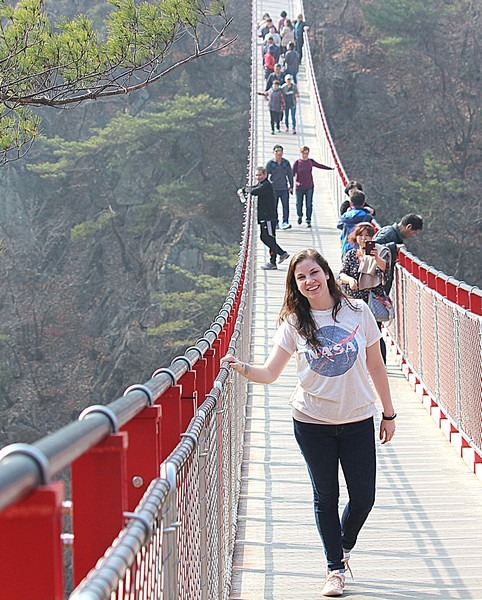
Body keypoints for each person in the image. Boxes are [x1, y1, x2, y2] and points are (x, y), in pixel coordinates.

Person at [221, 248, 396, 597]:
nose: (309, 281)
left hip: (358, 417)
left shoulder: (358, 313)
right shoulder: (295, 323)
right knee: (325, 495)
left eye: (313, 273)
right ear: (295, 285)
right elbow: (270, 373)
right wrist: (241, 368)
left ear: (327, 273)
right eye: (301, 278)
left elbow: (376, 365)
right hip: (312, 420)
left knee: (363, 497)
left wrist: (389, 414)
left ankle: (342, 545)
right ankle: (334, 568)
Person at [338, 223, 391, 363]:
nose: (363, 239)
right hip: (353, 300)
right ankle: (358, 362)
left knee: (375, 333)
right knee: (354, 332)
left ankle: (380, 364)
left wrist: (376, 258)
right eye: (360, 235)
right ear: (356, 237)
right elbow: (342, 274)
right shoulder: (351, 254)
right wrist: (350, 280)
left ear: (372, 237)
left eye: (367, 235)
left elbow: (384, 272)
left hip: (371, 300)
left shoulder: (380, 253)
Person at [241, 167, 289, 271]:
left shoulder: (266, 185)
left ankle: (273, 262)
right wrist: (245, 188)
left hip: (269, 217)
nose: (258, 177)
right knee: (264, 237)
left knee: (270, 238)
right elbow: (254, 187)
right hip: (265, 217)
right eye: (257, 175)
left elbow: (255, 191)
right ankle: (282, 253)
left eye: (260, 175)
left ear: (265, 175)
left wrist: (244, 190)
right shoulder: (262, 184)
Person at [373, 213, 423, 293]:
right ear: (408, 227)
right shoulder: (389, 233)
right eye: (414, 232)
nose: (413, 235)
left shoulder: (392, 233)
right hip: (376, 281)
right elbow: (371, 247)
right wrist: (394, 246)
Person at [292, 146, 334, 227]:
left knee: (309, 204)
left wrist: (330, 168)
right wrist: (290, 185)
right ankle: (300, 215)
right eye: (304, 153)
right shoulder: (297, 163)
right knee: (298, 204)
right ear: (301, 153)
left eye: (307, 153)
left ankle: (308, 220)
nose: (305, 155)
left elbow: (320, 165)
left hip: (309, 186)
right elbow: (292, 174)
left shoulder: (310, 161)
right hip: (299, 187)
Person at [266, 144, 294, 229]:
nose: (279, 153)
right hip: (274, 188)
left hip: (284, 188)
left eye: (280, 151)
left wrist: (291, 186)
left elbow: (290, 175)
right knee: (274, 206)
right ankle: (275, 222)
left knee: (285, 205)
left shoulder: (286, 163)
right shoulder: (270, 164)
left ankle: (285, 221)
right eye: (277, 151)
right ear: (273, 152)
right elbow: (266, 176)